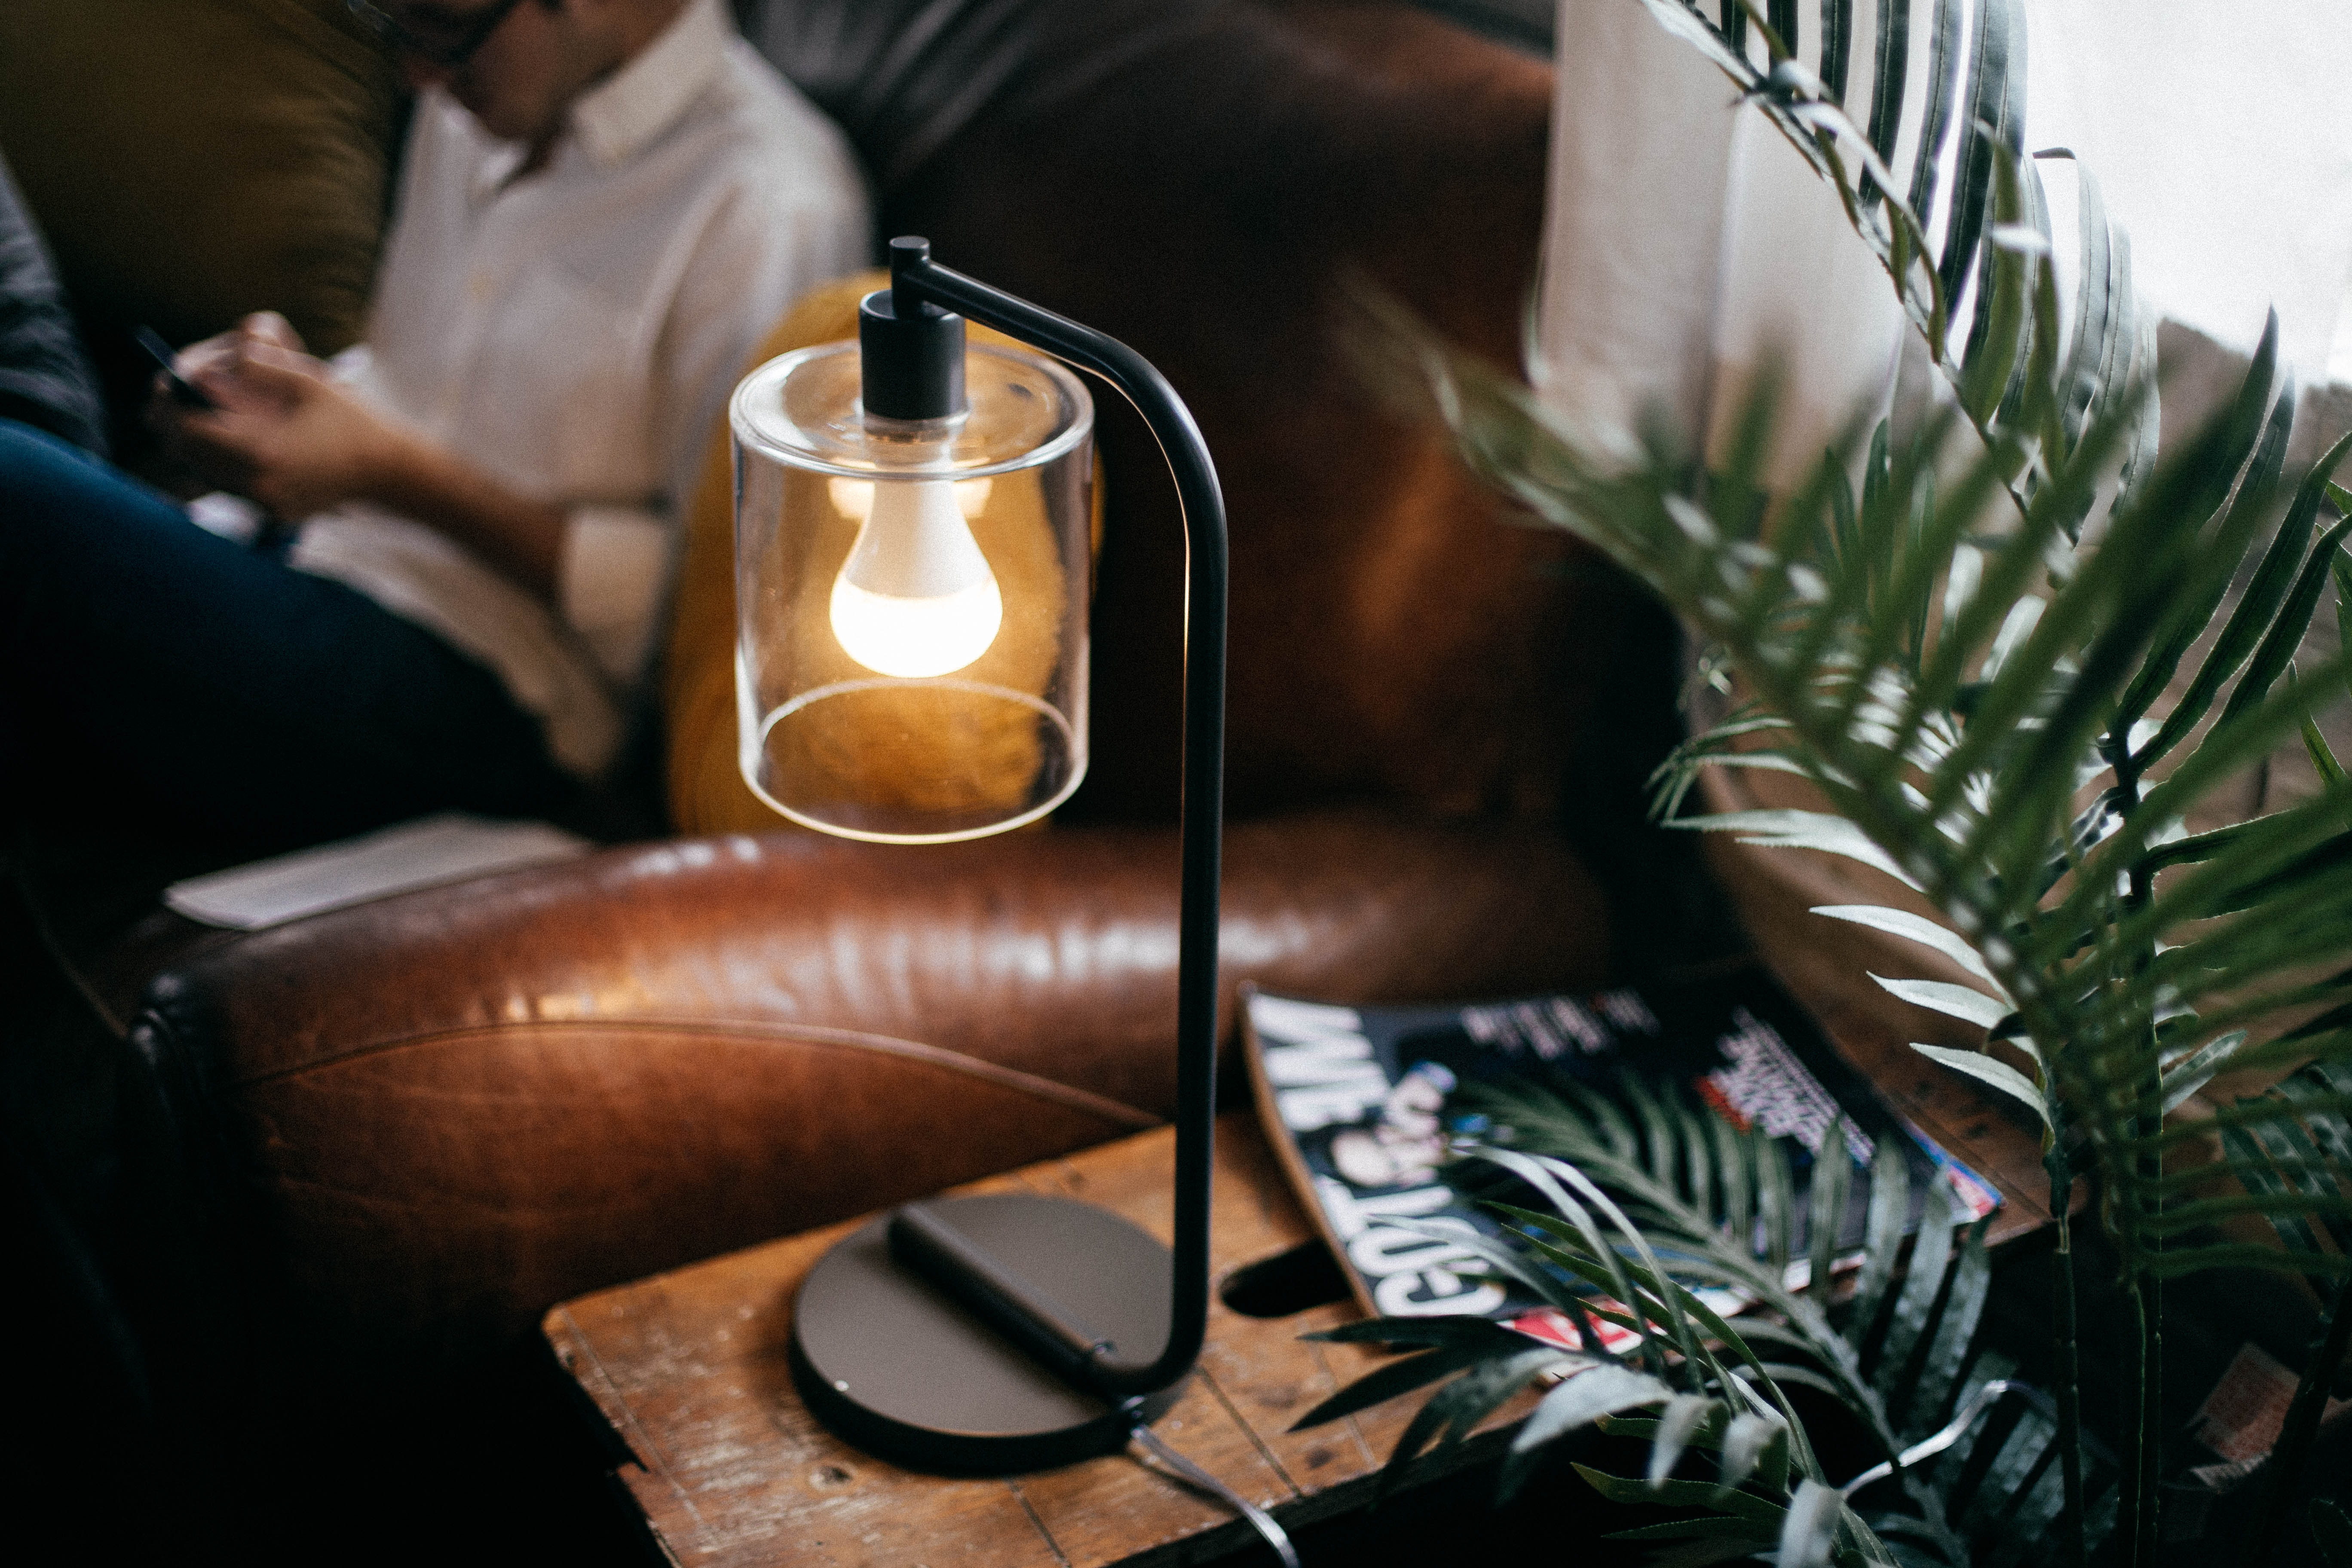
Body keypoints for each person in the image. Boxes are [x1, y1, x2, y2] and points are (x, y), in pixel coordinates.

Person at [0, 0, 868, 847]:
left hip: (488, 690)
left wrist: (390, 474)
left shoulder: (765, 206)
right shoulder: (474, 102)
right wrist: (302, 394)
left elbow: (698, 620)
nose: (417, 74)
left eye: (444, 29)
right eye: (398, 26)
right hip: (300, 558)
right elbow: (420, 384)